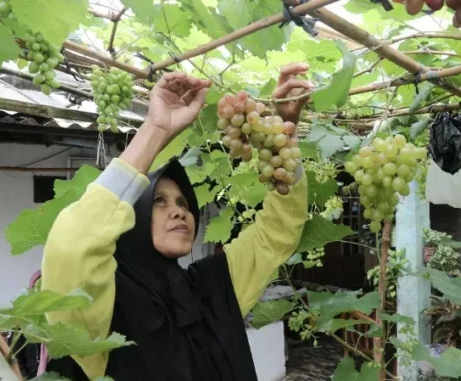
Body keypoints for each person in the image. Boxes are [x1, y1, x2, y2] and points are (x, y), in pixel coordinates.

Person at [40, 63, 312, 381]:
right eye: (159, 201)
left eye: (184, 203)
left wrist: (280, 139)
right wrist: (156, 129)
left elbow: (278, 231)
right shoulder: (102, 312)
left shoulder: (212, 287)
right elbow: (73, 248)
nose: (180, 211)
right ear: (131, 218)